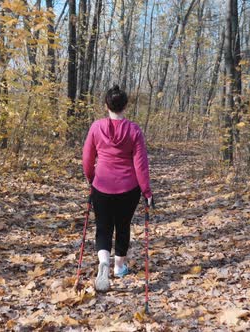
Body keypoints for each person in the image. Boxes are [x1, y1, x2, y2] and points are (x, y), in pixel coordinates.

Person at [82, 85, 153, 292]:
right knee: (123, 226)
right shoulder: (134, 130)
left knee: (103, 227)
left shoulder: (96, 127)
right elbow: (140, 164)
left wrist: (90, 178)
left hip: (101, 185)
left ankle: (103, 261)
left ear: (106, 105)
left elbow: (87, 158)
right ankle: (119, 267)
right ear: (125, 106)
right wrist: (147, 191)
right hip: (128, 188)